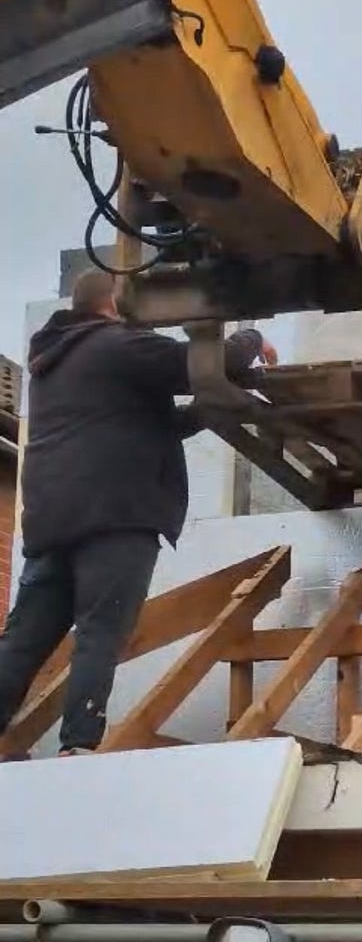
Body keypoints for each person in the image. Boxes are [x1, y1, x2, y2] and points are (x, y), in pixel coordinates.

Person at [0, 271, 276, 758]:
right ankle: (77, 748)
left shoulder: (57, 360)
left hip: (52, 520)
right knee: (101, 633)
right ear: (117, 304)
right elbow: (217, 358)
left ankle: (65, 743)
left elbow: (159, 423)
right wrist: (254, 340)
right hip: (117, 516)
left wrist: (218, 402)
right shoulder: (118, 345)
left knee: (22, 645)